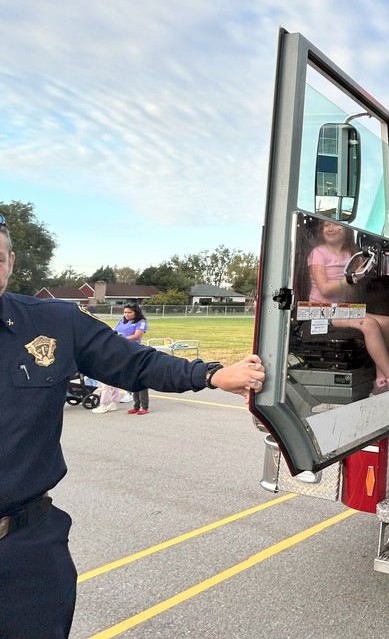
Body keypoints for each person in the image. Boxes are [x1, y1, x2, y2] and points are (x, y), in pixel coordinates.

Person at [0, 214, 265, 639]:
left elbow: (133, 361)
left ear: (11, 262)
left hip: (26, 549)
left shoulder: (52, 322)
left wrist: (212, 374)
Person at [307, 219, 389, 395]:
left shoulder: (351, 255)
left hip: (342, 308)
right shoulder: (318, 253)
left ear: (347, 230)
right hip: (320, 310)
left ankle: (381, 382)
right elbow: (325, 289)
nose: (330, 228)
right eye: (325, 225)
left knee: (386, 322)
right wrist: (350, 279)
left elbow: (352, 289)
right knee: (369, 324)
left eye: (335, 224)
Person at [115, 303, 150, 414]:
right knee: (132, 379)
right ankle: (136, 405)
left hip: (135, 352)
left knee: (140, 379)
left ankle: (144, 407)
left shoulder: (141, 322)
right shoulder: (121, 321)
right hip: (122, 352)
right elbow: (114, 333)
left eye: (130, 312)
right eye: (125, 312)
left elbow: (137, 335)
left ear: (136, 312)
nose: (127, 315)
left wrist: (122, 340)